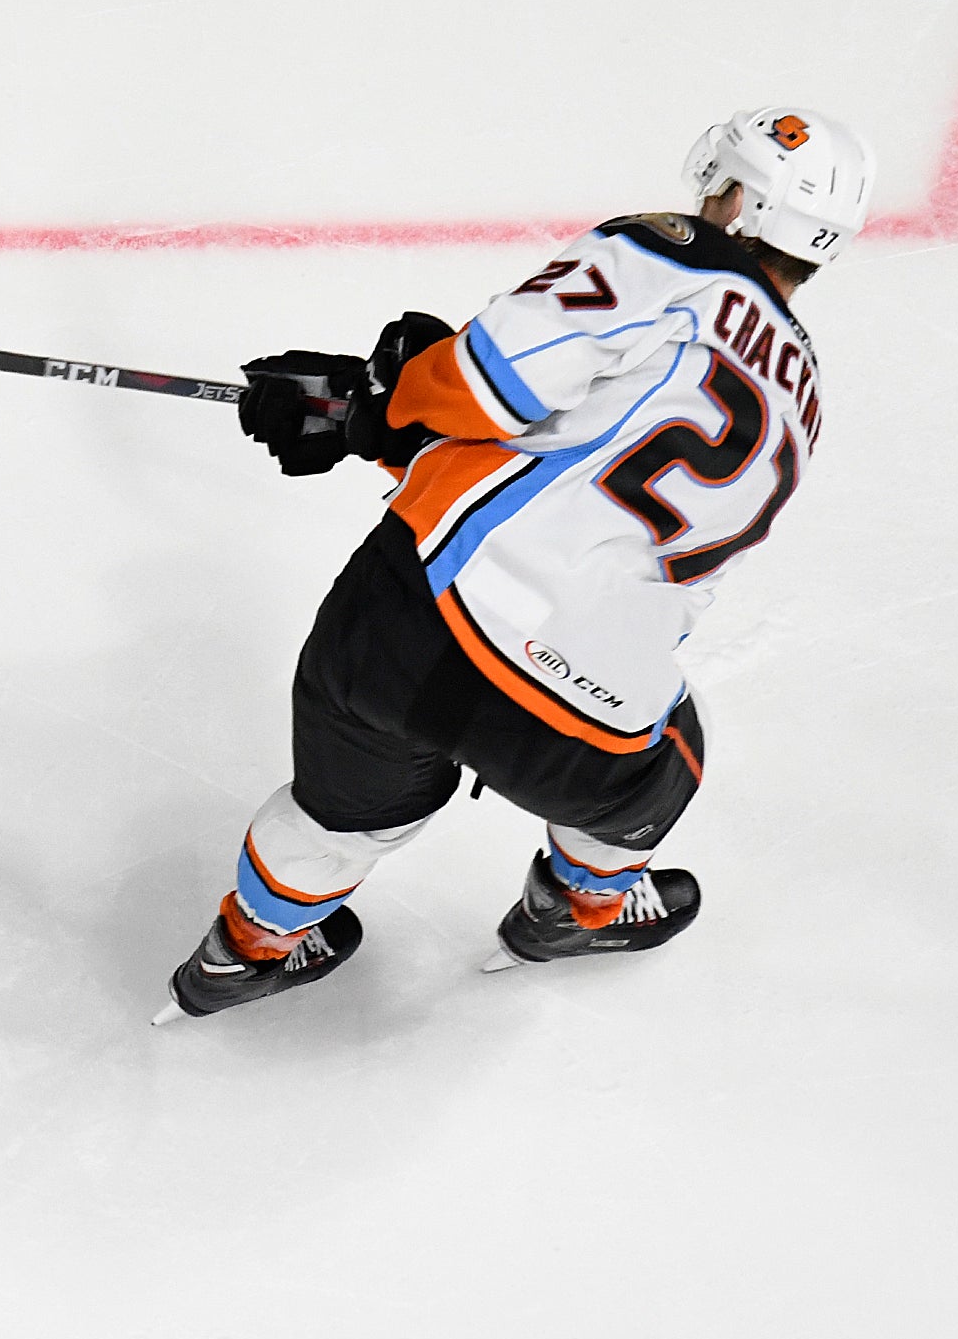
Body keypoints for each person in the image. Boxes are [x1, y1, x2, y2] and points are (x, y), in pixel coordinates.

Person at [162, 109, 870, 1019]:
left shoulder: (682, 258)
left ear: (744, 202)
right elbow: (612, 515)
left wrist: (385, 409)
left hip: (406, 615)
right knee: (668, 758)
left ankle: (246, 950)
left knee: (342, 810)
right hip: (572, 698)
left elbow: (499, 380)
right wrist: (375, 423)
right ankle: (580, 907)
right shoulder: (803, 401)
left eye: (721, 182)